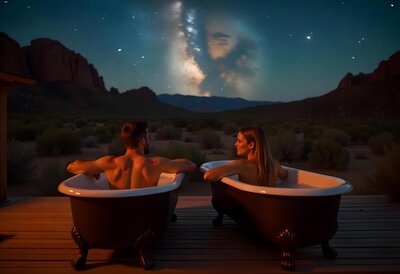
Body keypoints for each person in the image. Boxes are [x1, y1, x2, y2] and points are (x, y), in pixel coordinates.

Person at [67, 121, 197, 189]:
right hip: (144, 217)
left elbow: (72, 166)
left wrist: (92, 170)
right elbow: (190, 165)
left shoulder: (109, 163)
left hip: (116, 218)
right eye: (148, 137)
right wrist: (171, 162)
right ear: (143, 141)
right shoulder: (156, 163)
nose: (149, 140)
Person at [203, 126, 287, 186]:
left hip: (248, 209)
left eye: (239, 141)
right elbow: (284, 176)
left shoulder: (242, 165)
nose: (235, 144)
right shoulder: (274, 164)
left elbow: (208, 176)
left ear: (251, 145)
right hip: (269, 207)